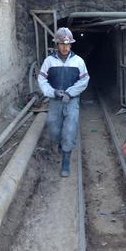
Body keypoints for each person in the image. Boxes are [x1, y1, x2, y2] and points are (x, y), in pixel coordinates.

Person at [38, 27, 90, 177]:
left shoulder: (78, 61)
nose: (65, 47)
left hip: (71, 101)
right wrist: (52, 92)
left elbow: (84, 80)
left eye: (68, 44)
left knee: (70, 129)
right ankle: (60, 144)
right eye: (62, 44)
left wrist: (70, 92)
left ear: (71, 45)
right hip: (55, 101)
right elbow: (42, 79)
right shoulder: (49, 61)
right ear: (57, 45)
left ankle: (66, 160)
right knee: (53, 129)